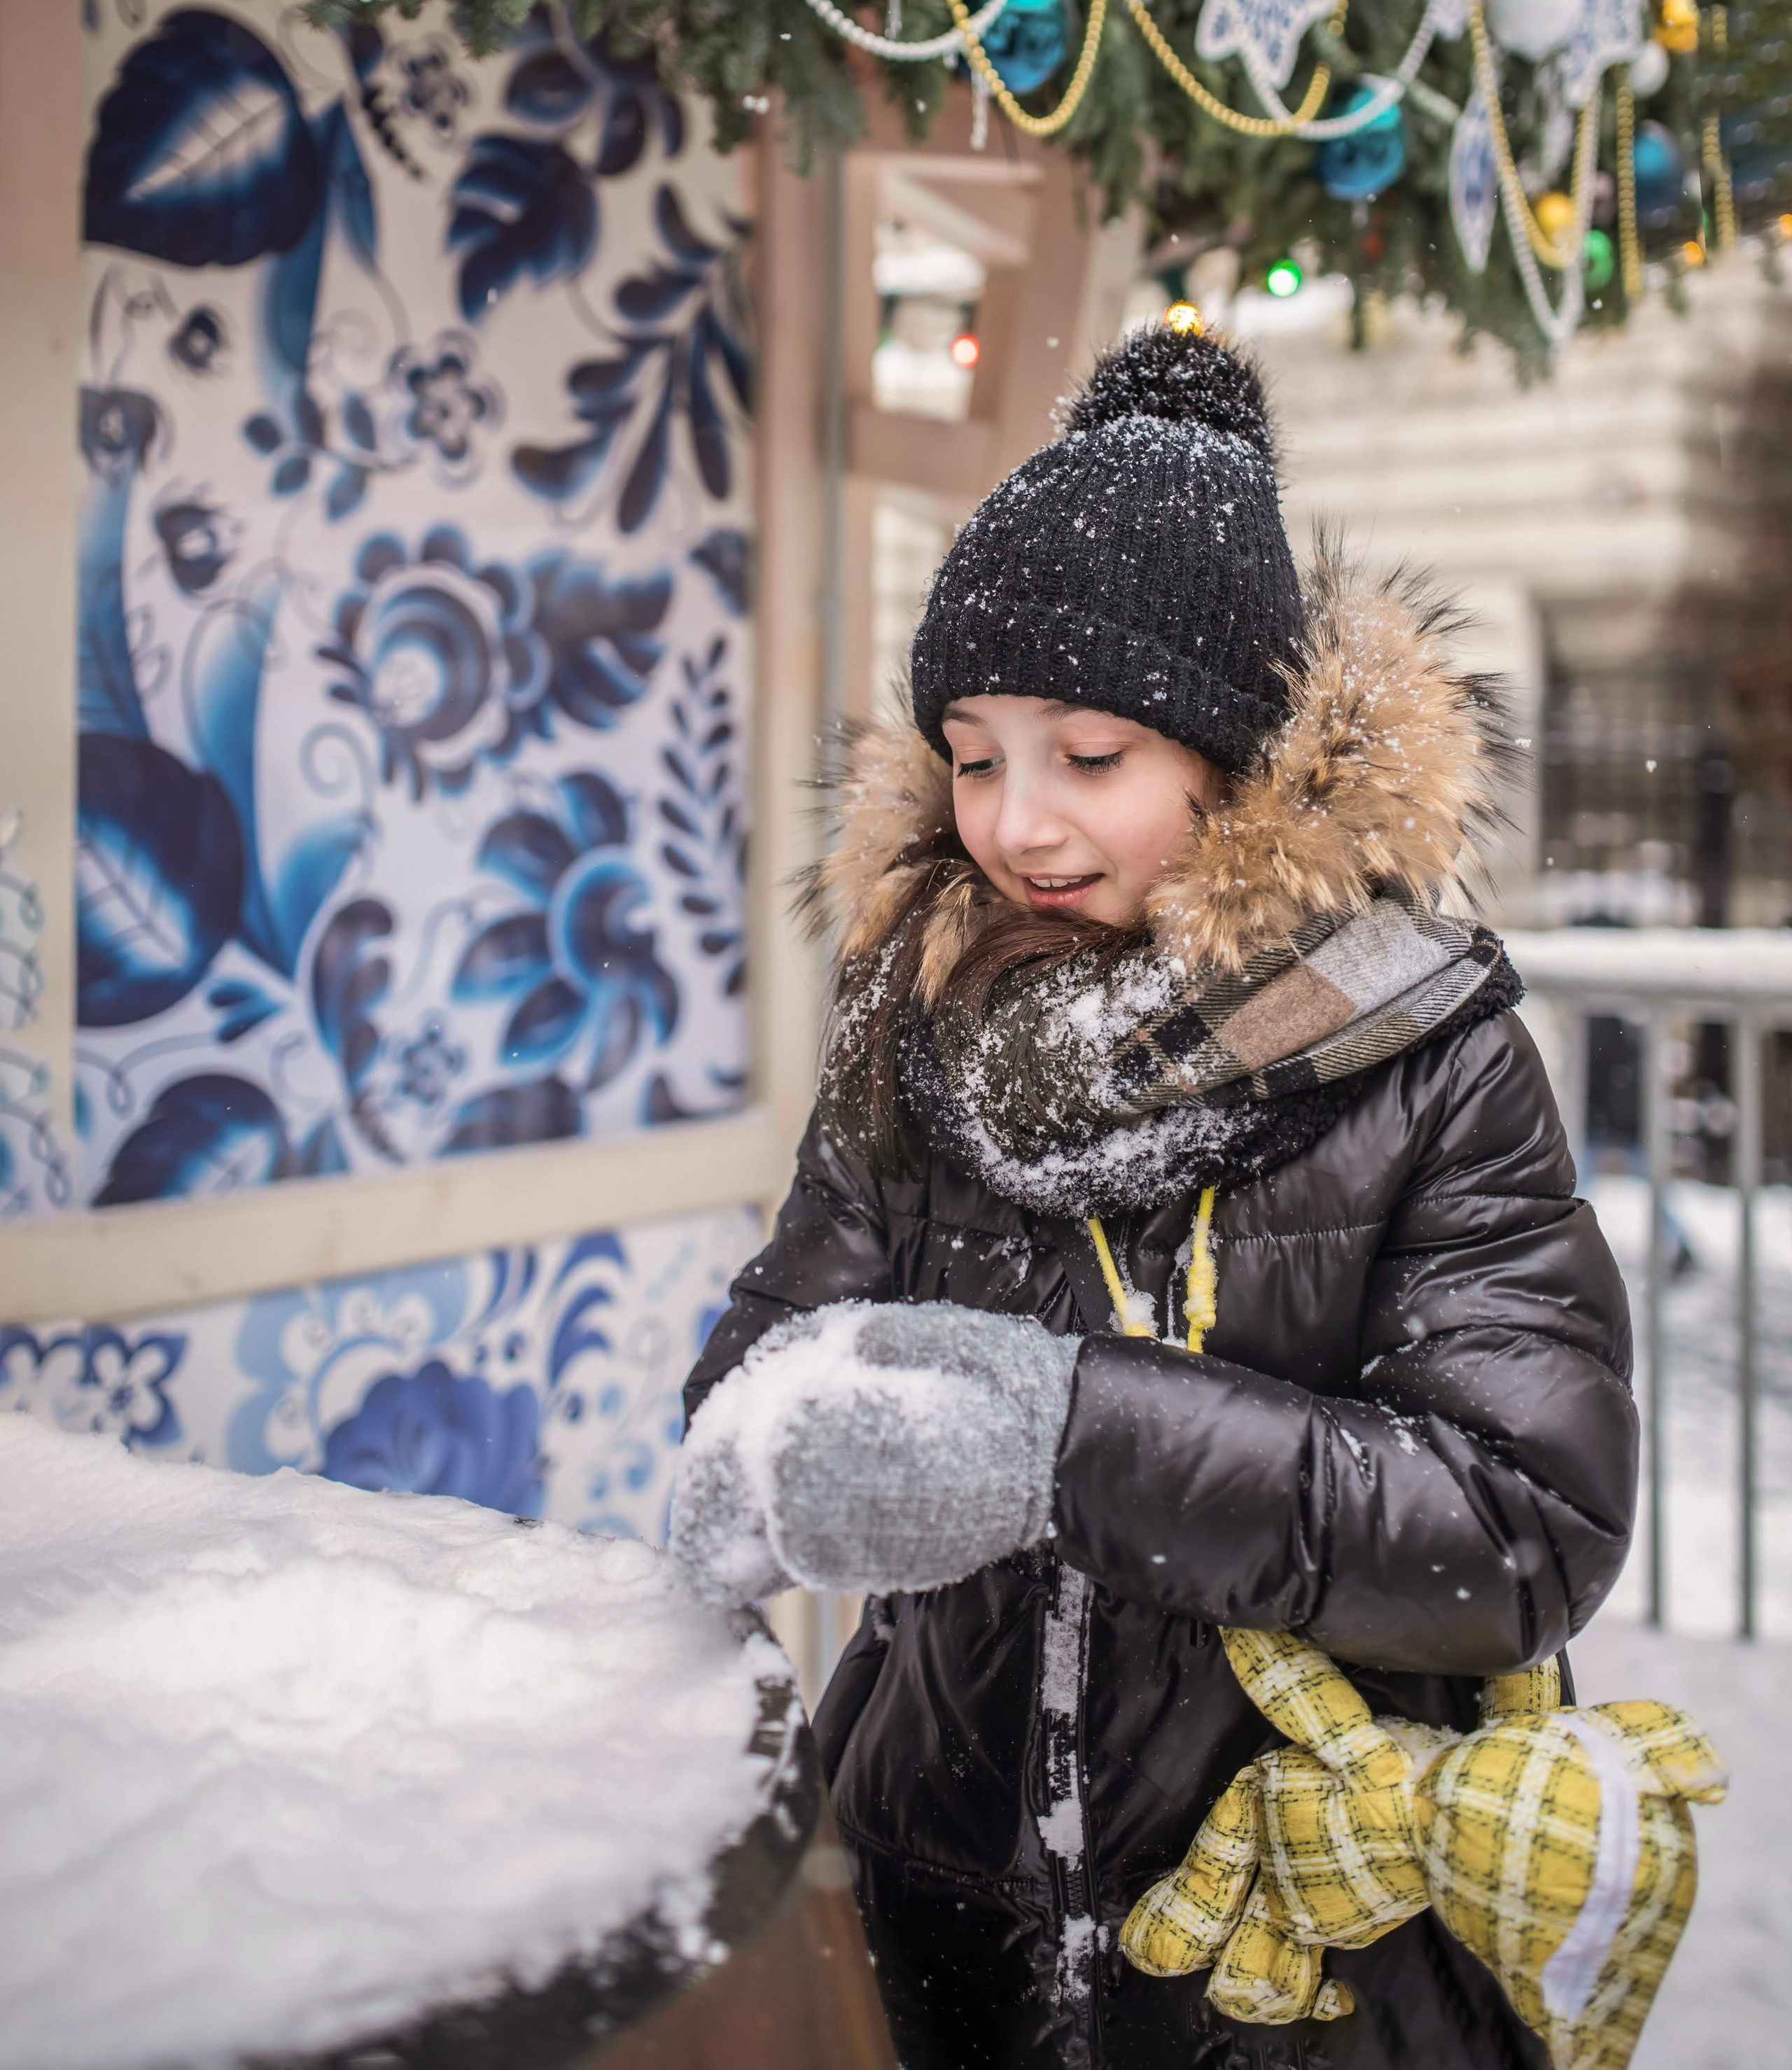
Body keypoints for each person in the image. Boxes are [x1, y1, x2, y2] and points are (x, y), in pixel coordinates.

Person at [672, 314, 1637, 2070]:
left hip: (1302, 1949)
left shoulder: (1423, 1051)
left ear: (1237, 754)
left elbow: (1519, 1523)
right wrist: (764, 1451)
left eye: (1087, 757)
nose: (1015, 824)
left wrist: (1062, 1434)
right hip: (928, 1902)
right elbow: (777, 1345)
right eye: (972, 754)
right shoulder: (917, 1016)